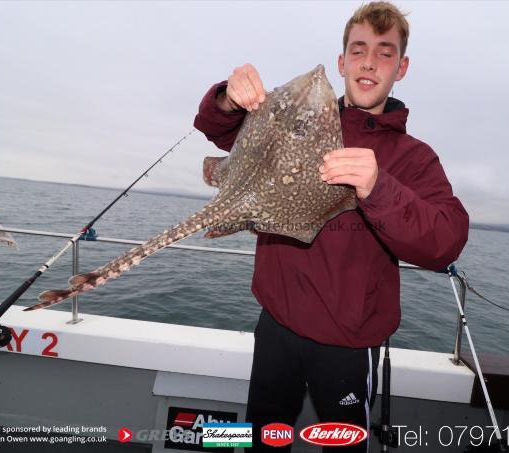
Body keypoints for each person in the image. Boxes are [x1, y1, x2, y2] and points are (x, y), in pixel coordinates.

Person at [193, 2, 469, 451]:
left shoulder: (414, 158)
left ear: (402, 67)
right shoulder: (298, 120)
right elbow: (218, 129)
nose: (368, 62)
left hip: (348, 343)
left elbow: (446, 240)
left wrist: (379, 187)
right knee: (264, 440)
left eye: (384, 53)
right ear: (342, 62)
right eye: (358, 49)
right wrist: (228, 95)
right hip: (276, 323)